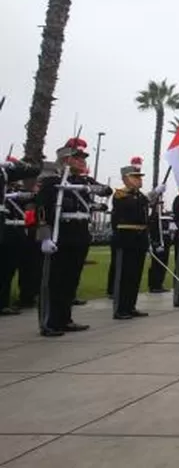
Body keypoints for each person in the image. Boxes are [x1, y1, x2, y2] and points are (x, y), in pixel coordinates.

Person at [36, 138, 112, 336]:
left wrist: (91, 188)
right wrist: (44, 237)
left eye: (83, 158)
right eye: (77, 158)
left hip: (80, 234)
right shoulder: (52, 182)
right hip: (60, 234)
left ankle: (65, 318)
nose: (82, 161)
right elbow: (41, 211)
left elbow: (107, 190)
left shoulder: (84, 182)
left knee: (71, 280)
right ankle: (49, 322)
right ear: (65, 159)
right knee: (55, 280)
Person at [110, 161, 164, 319]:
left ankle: (130, 305)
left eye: (140, 177)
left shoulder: (139, 196)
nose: (139, 180)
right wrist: (153, 193)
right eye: (135, 177)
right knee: (124, 276)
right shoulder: (120, 194)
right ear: (126, 179)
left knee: (135, 275)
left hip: (139, 239)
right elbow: (132, 206)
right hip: (125, 238)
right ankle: (120, 309)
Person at [0, 156, 42, 315]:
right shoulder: (6, 192)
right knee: (4, 269)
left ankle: (20, 299)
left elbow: (34, 199)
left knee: (14, 269)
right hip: (7, 229)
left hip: (18, 231)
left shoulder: (21, 192)